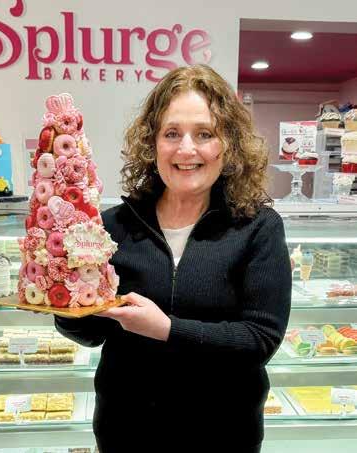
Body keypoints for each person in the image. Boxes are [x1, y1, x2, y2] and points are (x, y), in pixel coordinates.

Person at [55, 64, 292, 453]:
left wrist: (166, 329)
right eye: (171, 133)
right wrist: (65, 303)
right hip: (125, 432)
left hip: (224, 435)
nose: (186, 149)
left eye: (204, 134)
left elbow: (260, 340)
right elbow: (92, 334)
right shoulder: (114, 226)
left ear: (228, 143)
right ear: (152, 143)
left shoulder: (257, 227)